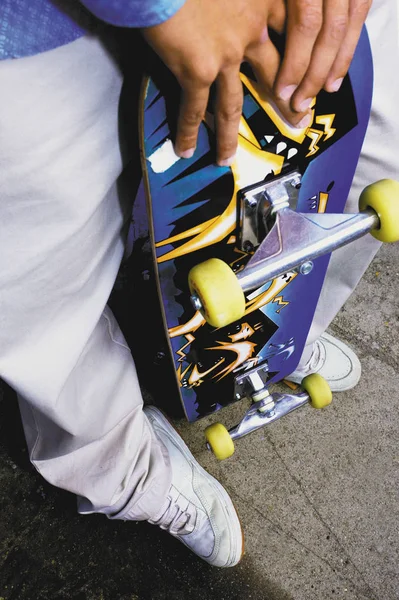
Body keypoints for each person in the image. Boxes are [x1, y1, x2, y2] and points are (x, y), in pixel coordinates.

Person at [0, 0, 397, 568]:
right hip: (36, 25)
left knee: (365, 149)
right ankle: (122, 471)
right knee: (39, 274)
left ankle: (279, 334)